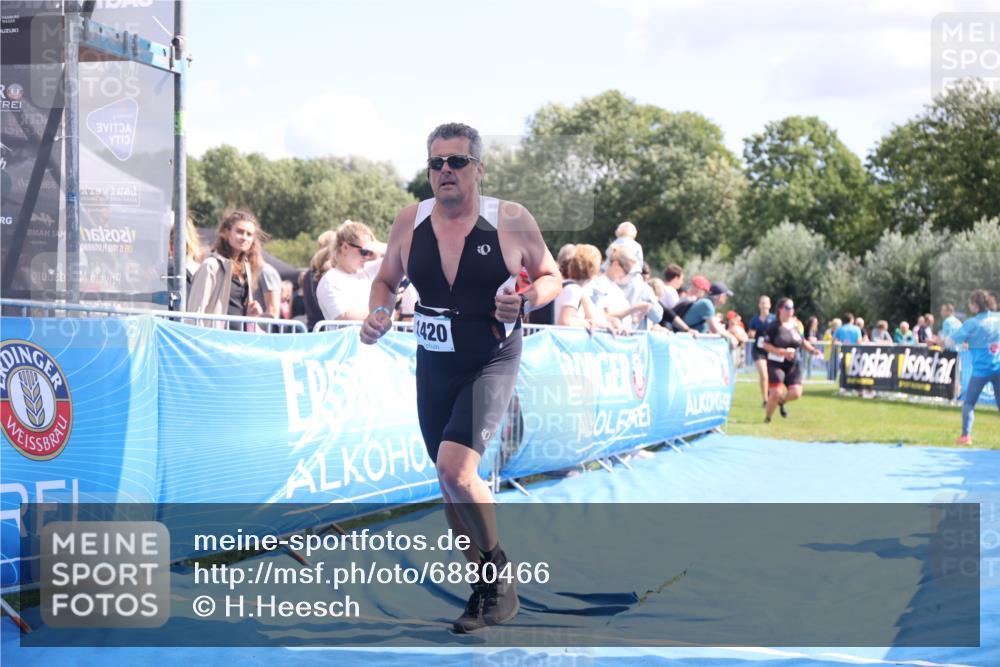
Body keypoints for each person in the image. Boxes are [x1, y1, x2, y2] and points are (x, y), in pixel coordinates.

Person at [360, 122, 561, 633]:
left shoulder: (511, 219)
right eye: (435, 163)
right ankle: (485, 590)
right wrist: (379, 313)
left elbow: (551, 276)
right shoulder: (410, 221)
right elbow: (385, 280)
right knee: (450, 485)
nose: (444, 171)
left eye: (456, 161)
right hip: (434, 361)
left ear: (479, 168)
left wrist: (527, 298)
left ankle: (497, 573)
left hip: (491, 354)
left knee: (456, 469)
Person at [187, 209, 266, 330]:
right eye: (240, 232)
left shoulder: (247, 268)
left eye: (249, 234)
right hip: (215, 343)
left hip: (239, 343)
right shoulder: (211, 266)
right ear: (226, 232)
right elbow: (195, 314)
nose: (245, 237)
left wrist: (252, 314)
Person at [944, 289, 1000, 446]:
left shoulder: (971, 323)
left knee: (969, 403)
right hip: (998, 367)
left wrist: (936, 341)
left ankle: (966, 436)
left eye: (970, 303)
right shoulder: (998, 318)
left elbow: (950, 341)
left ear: (975, 305)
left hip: (981, 371)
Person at [762, 298, 823, 422]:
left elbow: (802, 341)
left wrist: (813, 350)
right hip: (776, 363)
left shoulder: (795, 325)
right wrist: (781, 352)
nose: (791, 310)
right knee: (775, 392)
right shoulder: (774, 326)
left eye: (792, 307)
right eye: (787, 307)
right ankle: (768, 418)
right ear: (780, 309)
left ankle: (781, 403)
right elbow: (765, 345)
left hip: (793, 364)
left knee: (796, 393)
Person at [316, 220, 386, 321]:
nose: (367, 256)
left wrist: (376, 246)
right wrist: (384, 304)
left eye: (370, 252)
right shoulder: (330, 280)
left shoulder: (368, 269)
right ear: (345, 247)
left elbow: (400, 254)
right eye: (364, 251)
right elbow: (344, 318)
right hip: (350, 336)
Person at [606, 244, 662, 331]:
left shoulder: (643, 288)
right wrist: (633, 310)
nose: (628, 275)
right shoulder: (605, 285)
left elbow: (658, 316)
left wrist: (650, 307)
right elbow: (601, 315)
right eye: (626, 270)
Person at [748, 295, 775, 407]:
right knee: (764, 375)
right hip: (758, 350)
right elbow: (750, 333)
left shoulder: (774, 319)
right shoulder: (754, 319)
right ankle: (765, 400)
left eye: (766, 303)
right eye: (762, 303)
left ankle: (770, 394)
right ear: (759, 305)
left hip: (771, 350)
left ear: (769, 305)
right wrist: (751, 334)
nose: (764, 305)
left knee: (771, 375)